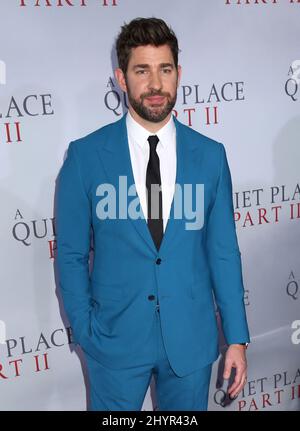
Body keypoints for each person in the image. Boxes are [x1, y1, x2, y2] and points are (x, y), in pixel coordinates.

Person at [55, 17, 250, 411]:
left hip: (191, 341)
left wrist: (237, 338)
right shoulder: (85, 157)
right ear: (121, 78)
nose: (156, 85)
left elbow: (224, 253)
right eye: (142, 71)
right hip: (113, 342)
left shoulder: (211, 156)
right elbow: (72, 255)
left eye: (164, 70)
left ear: (179, 74)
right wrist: (88, 331)